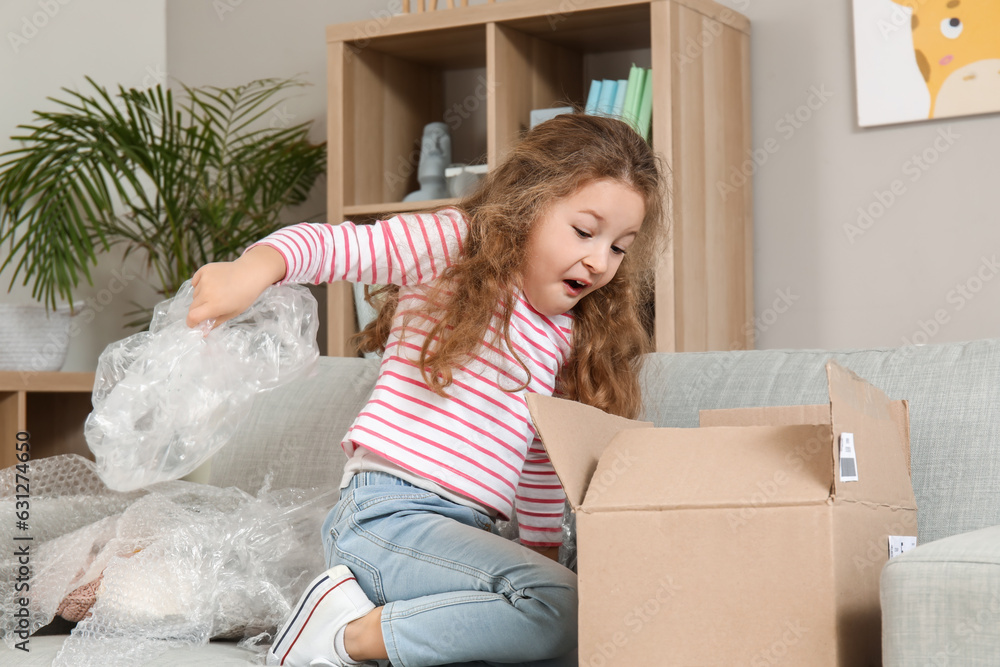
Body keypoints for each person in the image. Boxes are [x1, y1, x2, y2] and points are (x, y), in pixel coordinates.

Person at [186, 113, 668, 667]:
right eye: (585, 232)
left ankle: (383, 627)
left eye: (620, 247)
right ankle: (345, 637)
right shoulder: (452, 247)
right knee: (563, 609)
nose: (598, 260)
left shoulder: (564, 334)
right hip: (386, 518)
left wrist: (537, 556)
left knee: (573, 624)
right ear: (527, 204)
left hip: (464, 538)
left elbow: (541, 458)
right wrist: (250, 271)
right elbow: (331, 245)